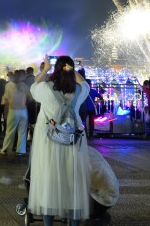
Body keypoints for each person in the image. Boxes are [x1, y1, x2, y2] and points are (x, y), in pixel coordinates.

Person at [28, 55, 92, 225]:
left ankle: (48, 223)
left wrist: (45, 69)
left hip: (50, 142)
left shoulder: (45, 89)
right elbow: (84, 83)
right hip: (73, 142)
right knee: (73, 183)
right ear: (71, 69)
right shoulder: (79, 91)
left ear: (56, 69)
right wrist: (72, 69)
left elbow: (33, 86)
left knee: (49, 181)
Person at [0, 70, 30, 156]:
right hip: (23, 111)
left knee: (10, 131)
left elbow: (5, 99)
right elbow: (30, 97)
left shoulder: (8, 85)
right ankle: (20, 151)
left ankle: (5, 149)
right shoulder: (25, 86)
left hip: (13, 110)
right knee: (22, 132)